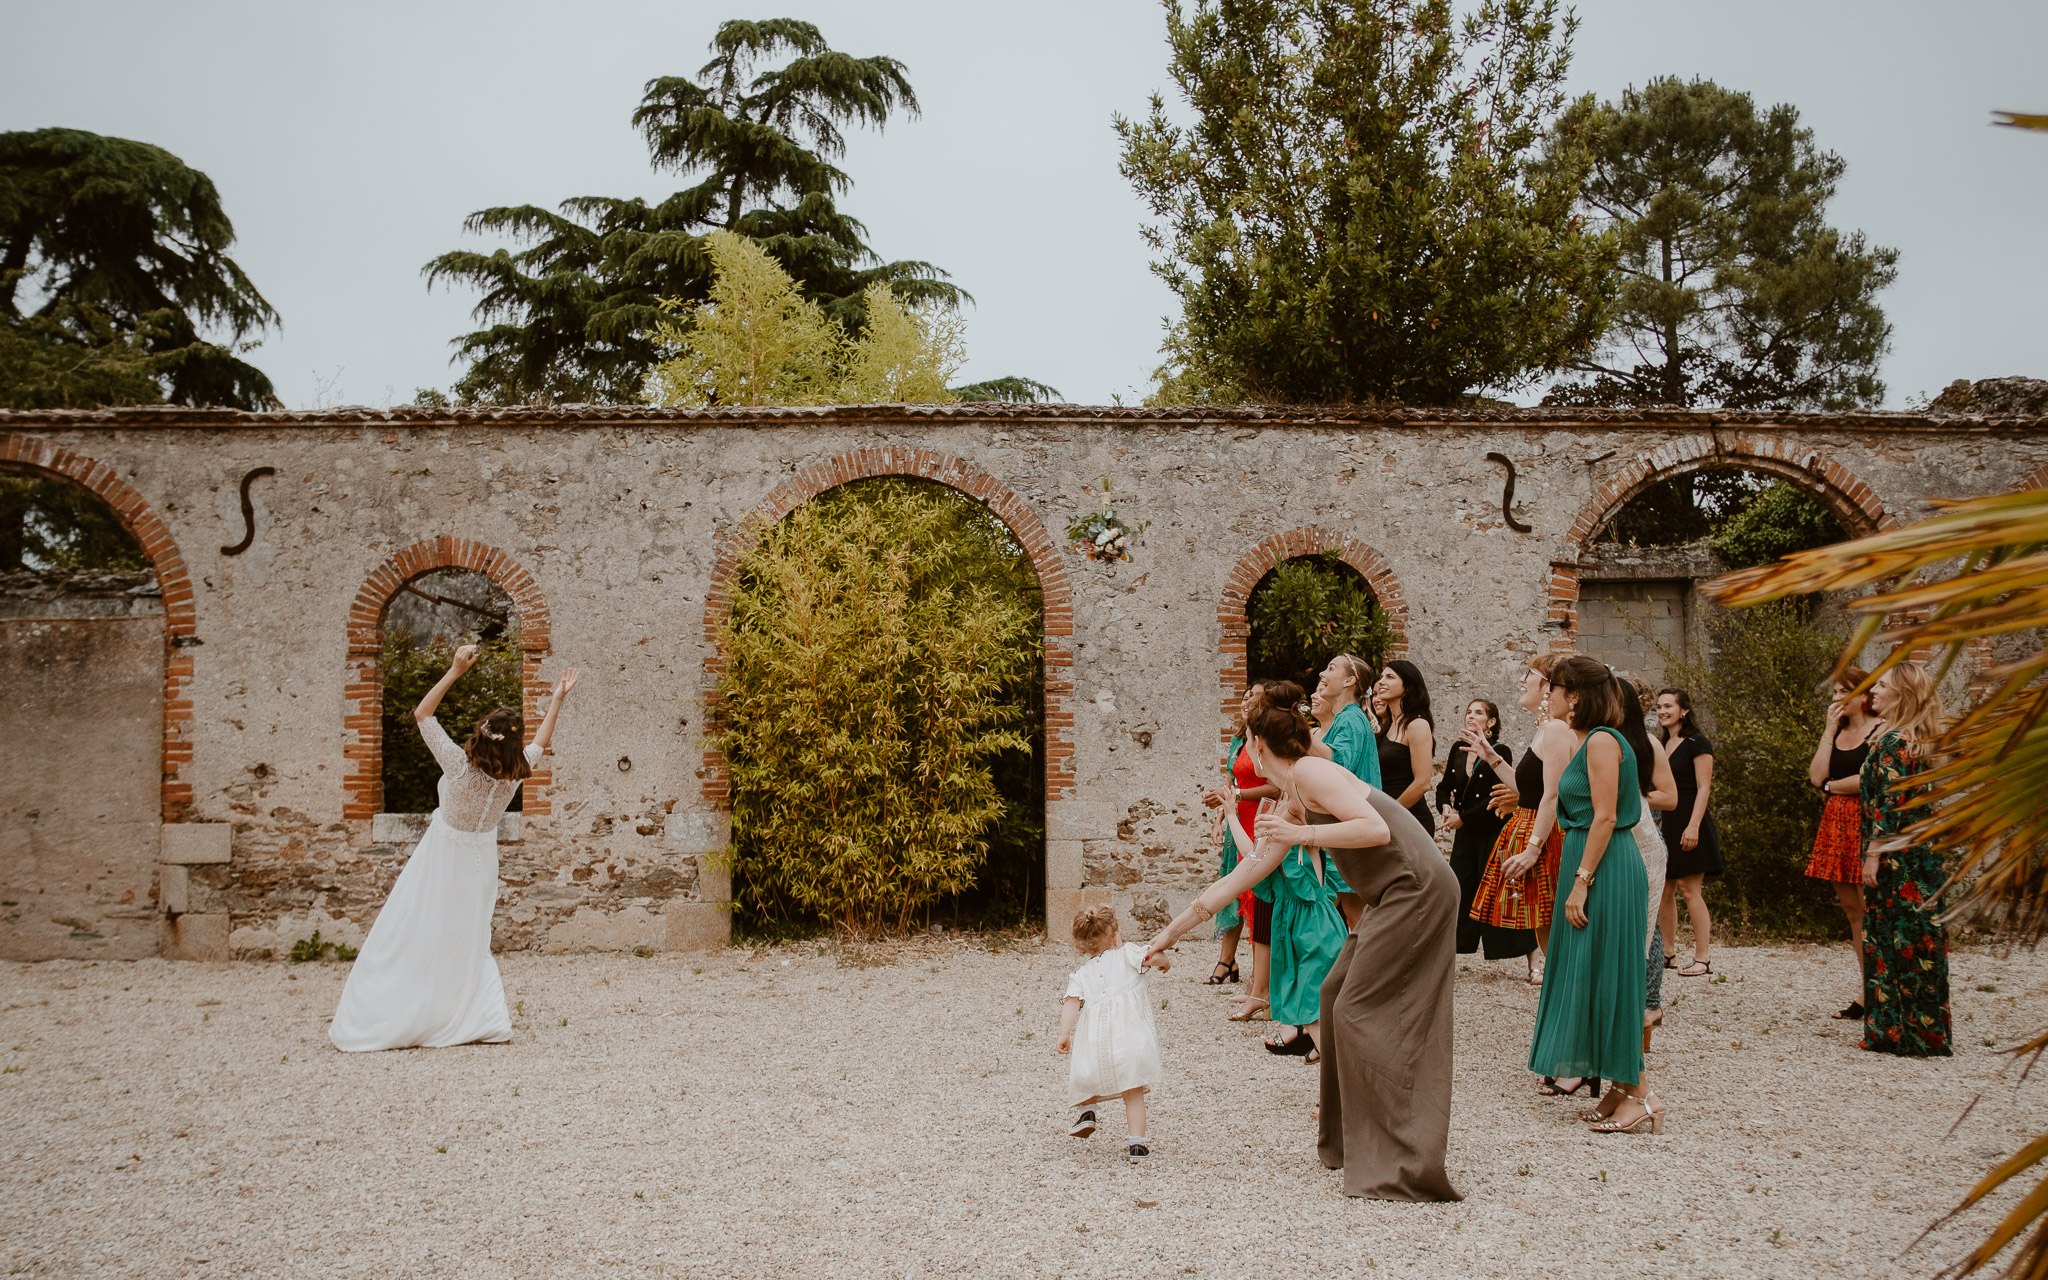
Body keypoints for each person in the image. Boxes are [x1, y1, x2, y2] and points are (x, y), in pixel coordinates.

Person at [1146, 697, 1461, 1202]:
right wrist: (1169, 934)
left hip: (1417, 889)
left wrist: (1302, 833)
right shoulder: (1293, 792)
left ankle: (1400, 1154)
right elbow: (1245, 873)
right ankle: (1348, 1142)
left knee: (1357, 1010)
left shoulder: (1314, 772)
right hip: (1389, 894)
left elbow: (1376, 828)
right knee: (1334, 993)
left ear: (1257, 744)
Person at [331, 646, 578, 1052]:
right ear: (512, 748)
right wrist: (556, 699)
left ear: (481, 736)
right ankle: (475, 1015)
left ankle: (412, 1010)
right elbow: (541, 741)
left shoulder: (457, 765)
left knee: (416, 929)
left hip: (440, 858)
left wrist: (454, 671)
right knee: (468, 938)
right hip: (480, 863)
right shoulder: (517, 774)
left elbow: (422, 715)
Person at [1524, 656, 1660, 1134]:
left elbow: (1606, 817)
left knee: (1611, 978)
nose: (1549, 696)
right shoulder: (1586, 739)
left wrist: (1581, 881)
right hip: (1589, 859)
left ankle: (1640, 1095)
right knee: (1589, 974)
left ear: (1575, 694)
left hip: (1605, 867)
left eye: (1555, 688)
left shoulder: (1603, 740)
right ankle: (1620, 1089)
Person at [1860, 664, 1950, 1057]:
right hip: (1922, 855)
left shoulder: (1897, 741)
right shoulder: (1919, 739)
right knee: (1919, 939)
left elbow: (1889, 805)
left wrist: (1872, 855)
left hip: (1898, 858)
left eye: (1881, 685)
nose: (1873, 691)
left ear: (1901, 694)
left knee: (1895, 939)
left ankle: (1898, 1033)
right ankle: (1921, 1031)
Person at [1469, 654, 1573, 986]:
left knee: (1552, 926)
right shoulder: (1546, 730)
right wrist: (1492, 756)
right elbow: (1527, 789)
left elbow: (1553, 796)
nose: (1521, 681)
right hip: (1534, 828)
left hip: (1546, 836)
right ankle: (1560, 994)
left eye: (1527, 674)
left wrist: (1532, 849)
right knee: (1545, 926)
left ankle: (1564, 993)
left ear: (1547, 686)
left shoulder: (1557, 729)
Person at [1057, 906, 1168, 1162]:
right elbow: (1153, 957)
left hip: (1097, 1044)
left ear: (1083, 944)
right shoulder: (1128, 955)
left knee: (1087, 1075)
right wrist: (1166, 962)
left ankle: (1087, 1111)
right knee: (1133, 1092)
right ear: (1115, 935)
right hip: (1131, 1041)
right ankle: (1137, 1146)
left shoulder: (1080, 975)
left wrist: (1064, 1034)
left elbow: (1072, 1002)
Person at [1807, 667, 1881, 1020]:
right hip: (1837, 824)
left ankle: (1885, 989)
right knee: (1853, 910)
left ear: (1862, 696)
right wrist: (1827, 730)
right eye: (1834, 692)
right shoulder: (1837, 733)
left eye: (1842, 692)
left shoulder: (1881, 731)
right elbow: (1816, 776)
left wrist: (1832, 788)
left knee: (1874, 908)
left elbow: (1869, 779)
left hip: (1868, 822)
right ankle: (1867, 990)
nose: (1836, 699)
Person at [1439, 699, 1535, 963]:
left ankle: (1532, 957)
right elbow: (1444, 786)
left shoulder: (1499, 750)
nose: (1471, 715)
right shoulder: (1458, 749)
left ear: (1491, 722)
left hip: (1493, 831)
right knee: (1459, 889)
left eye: (1478, 713)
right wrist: (1446, 808)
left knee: (1505, 889)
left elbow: (1496, 796)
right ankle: (1449, 954)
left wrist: (1463, 818)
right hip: (1466, 836)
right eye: (1468, 711)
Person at [1199, 684, 1272, 989]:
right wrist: (1218, 820)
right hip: (1235, 822)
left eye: (1254, 697)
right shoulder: (1237, 742)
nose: (1246, 701)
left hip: (1258, 820)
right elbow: (1229, 783)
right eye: (1244, 696)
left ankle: (1259, 977)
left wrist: (1236, 797)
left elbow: (1275, 786)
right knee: (1232, 891)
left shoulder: (1266, 741)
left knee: (1253, 894)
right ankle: (1227, 959)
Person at [1622, 677, 1678, 1053]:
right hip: (1609, 838)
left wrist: (1631, 796)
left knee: (1647, 924)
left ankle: (1649, 1003)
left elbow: (1670, 797)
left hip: (1641, 836)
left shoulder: (1648, 743)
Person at [1310, 652, 1380, 926]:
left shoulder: (1350, 719)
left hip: (1348, 827)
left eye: (1330, 668)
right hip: (1349, 825)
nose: (1321, 675)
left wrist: (1300, 733)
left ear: (1349, 680)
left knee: (1333, 913)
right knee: (1353, 913)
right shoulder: (1347, 718)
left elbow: (1338, 767)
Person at [1656, 688, 1722, 978]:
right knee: (1664, 890)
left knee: (1689, 889)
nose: (1661, 711)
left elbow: (1704, 787)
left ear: (1684, 710)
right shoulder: (1662, 743)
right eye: (1658, 707)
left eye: (1668, 706)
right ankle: (1668, 953)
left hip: (1691, 819)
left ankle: (1703, 958)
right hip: (1667, 822)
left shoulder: (1698, 742)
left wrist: (1693, 825)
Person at [1373, 659, 1438, 834]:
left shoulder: (1417, 724)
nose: (1382, 682)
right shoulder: (1387, 727)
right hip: (1386, 819)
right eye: (1381, 677)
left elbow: (1422, 783)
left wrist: (1391, 814)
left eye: (1390, 677)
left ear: (1407, 687)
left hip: (1410, 820)